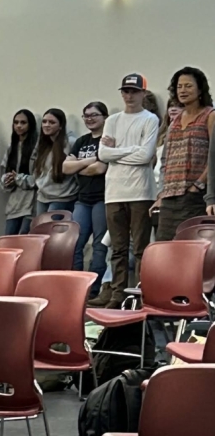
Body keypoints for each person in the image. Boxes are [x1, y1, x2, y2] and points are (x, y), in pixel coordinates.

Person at [98, 74, 160, 308]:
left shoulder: (150, 119)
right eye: (125, 91)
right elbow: (102, 154)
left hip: (141, 192)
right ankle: (117, 294)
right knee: (118, 248)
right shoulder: (112, 120)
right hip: (114, 191)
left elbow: (146, 157)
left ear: (143, 93)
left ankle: (144, 293)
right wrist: (133, 149)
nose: (129, 95)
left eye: (134, 91)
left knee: (142, 248)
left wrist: (119, 152)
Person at [154, 67, 213, 240]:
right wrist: (162, 193)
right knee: (163, 248)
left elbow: (214, 156)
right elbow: (166, 159)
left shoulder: (210, 116)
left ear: (200, 89)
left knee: (191, 248)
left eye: (188, 86)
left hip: (195, 196)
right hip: (170, 197)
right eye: (179, 86)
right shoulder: (175, 121)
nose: (183, 90)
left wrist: (198, 185)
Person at [65, 102, 109, 300]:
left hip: (102, 199)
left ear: (105, 117)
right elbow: (65, 168)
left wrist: (78, 166)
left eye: (94, 115)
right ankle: (75, 286)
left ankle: (93, 290)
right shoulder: (82, 141)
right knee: (75, 243)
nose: (90, 119)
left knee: (100, 246)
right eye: (86, 116)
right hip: (82, 199)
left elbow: (100, 169)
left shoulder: (108, 141)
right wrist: (89, 162)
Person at [20, 108, 78, 216]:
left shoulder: (70, 143)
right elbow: (38, 171)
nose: (46, 125)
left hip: (62, 197)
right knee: (41, 230)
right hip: (42, 196)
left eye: (52, 122)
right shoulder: (42, 144)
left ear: (61, 126)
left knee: (52, 231)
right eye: (44, 121)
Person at [0, 109, 38, 235]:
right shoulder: (12, 148)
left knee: (24, 241)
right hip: (14, 204)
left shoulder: (37, 148)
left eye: (23, 123)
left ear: (30, 125)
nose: (19, 126)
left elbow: (39, 178)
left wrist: (19, 178)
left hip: (31, 204)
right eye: (16, 123)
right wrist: (7, 180)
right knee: (8, 240)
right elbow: (4, 173)